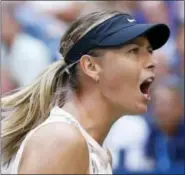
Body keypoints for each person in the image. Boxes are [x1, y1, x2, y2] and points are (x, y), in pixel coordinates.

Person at [1, 11, 170, 174]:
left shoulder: (92, 149)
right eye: (133, 51)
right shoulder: (61, 139)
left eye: (149, 51)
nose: (153, 62)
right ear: (91, 67)